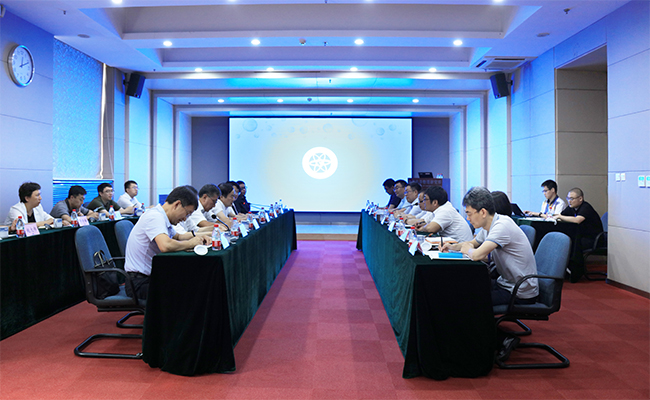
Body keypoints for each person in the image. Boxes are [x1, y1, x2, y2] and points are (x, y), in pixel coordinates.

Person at [442, 186, 538, 306]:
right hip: (505, 283)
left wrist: (468, 249)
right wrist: (452, 247)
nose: (468, 218)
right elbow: (472, 243)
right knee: (464, 288)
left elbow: (476, 255)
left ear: (483, 212)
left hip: (519, 291)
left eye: (469, 214)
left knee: (469, 300)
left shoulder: (502, 226)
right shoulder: (489, 225)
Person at [124, 185, 209, 300]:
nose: (185, 219)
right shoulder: (155, 216)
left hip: (151, 277)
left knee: (193, 281)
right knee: (189, 290)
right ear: (177, 204)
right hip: (140, 283)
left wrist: (199, 237)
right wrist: (190, 244)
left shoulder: (162, 216)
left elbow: (178, 236)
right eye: (187, 213)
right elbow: (165, 245)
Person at [551, 188, 604, 281]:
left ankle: (574, 272)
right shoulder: (571, 208)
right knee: (565, 242)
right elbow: (560, 216)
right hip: (581, 237)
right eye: (568, 198)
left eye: (572, 199)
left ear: (580, 199)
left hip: (593, 239)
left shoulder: (586, 207)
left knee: (572, 244)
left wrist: (561, 217)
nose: (569, 201)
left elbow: (577, 220)